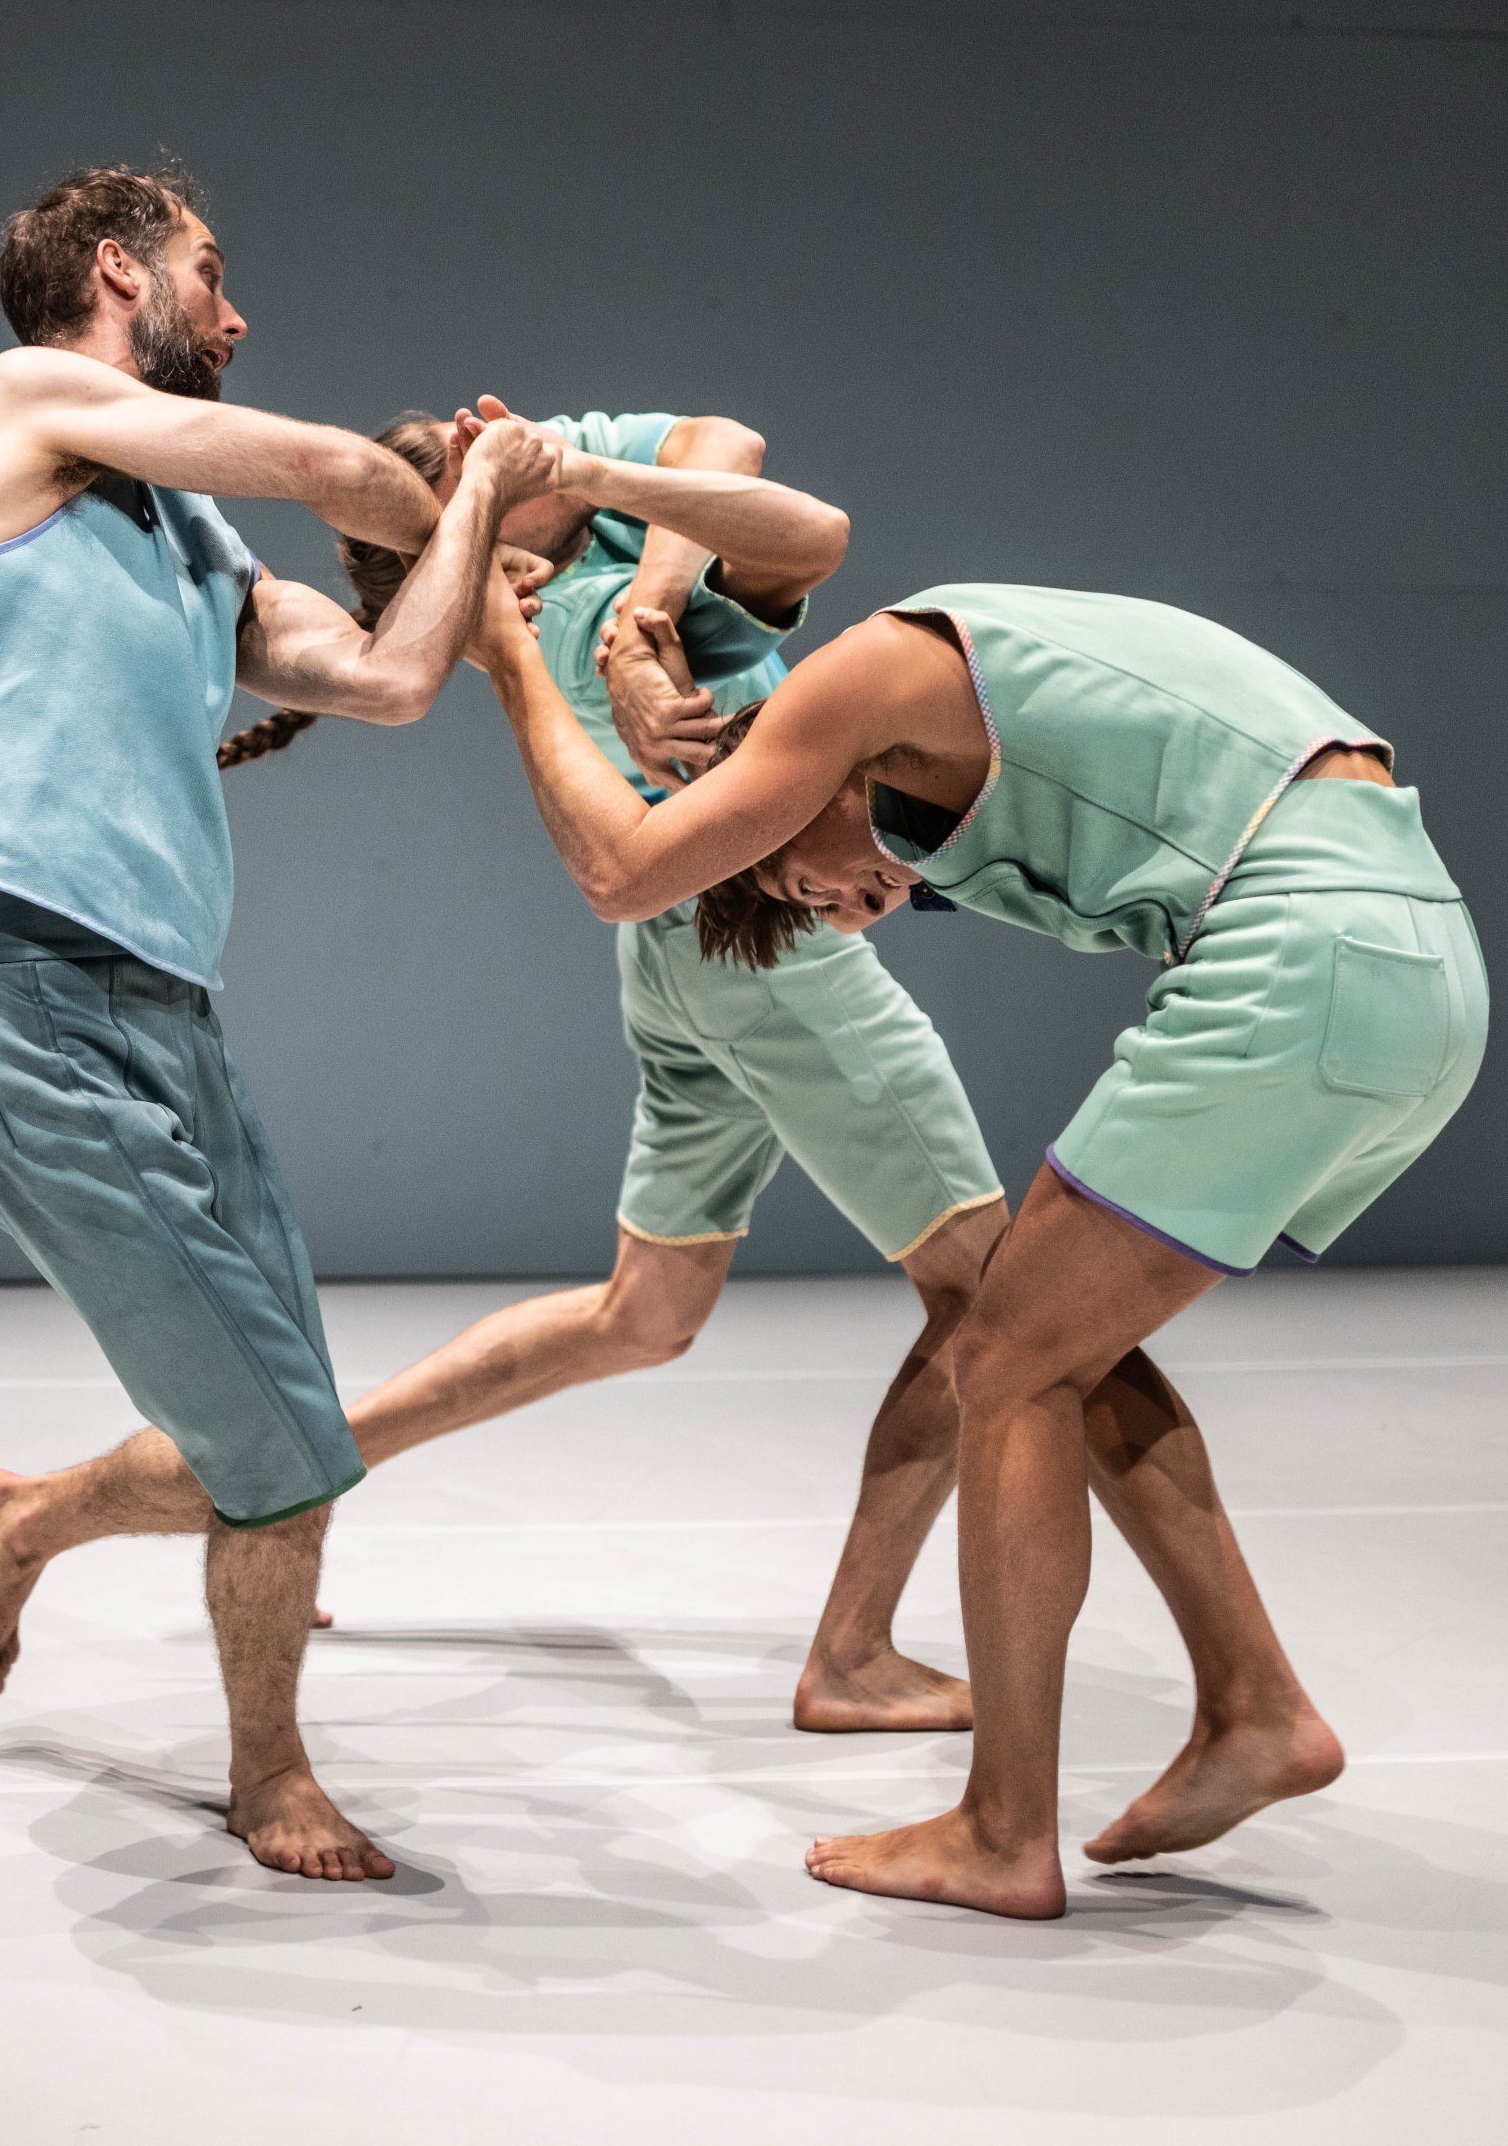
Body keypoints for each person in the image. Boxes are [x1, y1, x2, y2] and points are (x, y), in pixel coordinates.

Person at [470, 536, 1488, 1919]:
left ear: (786, 786)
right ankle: (1254, 1706)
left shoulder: (863, 677)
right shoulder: (936, 776)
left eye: (794, 879)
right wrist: (645, 650)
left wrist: (509, 648)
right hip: (1420, 962)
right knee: (1053, 1342)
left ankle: (1007, 1831)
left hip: (1306, 952)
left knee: (1003, 1360)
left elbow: (623, 867)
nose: (840, 908)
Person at [0, 164, 555, 1882]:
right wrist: (472, 476)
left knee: (290, 1438)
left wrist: (505, 531)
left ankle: (30, 1520)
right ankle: (268, 1774)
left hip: (172, 1028)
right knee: (281, 1455)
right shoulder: (20, 405)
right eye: (216, 271)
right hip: (32, 1014)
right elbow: (342, 471)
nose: (239, 310)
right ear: (115, 267)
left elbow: (401, 675)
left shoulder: (189, 540)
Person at [324, 400, 1008, 1733]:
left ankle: (306, 1471)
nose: (497, 425)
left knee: (643, 1313)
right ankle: (855, 1657)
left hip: (682, 971)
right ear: (485, 552)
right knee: (990, 1302)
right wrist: (642, 609)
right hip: (769, 957)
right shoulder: (578, 614)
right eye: (472, 460)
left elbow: (719, 436)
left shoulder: (600, 563)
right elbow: (802, 529)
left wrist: (621, 551)